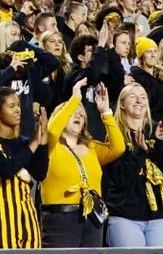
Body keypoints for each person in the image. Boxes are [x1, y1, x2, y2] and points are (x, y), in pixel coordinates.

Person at [39, 78, 122, 247]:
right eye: (72, 112)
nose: (78, 114)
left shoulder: (91, 147)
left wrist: (105, 113)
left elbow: (118, 148)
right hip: (60, 220)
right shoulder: (51, 146)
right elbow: (52, 129)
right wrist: (75, 99)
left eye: (81, 113)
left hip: (92, 217)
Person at [104, 80, 163, 247]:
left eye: (143, 97)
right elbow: (120, 180)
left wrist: (162, 143)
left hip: (159, 217)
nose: (139, 101)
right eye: (133, 97)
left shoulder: (159, 131)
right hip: (126, 217)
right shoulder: (114, 135)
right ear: (122, 104)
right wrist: (139, 152)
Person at [0, 84, 46, 249]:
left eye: (18, 105)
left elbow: (41, 173)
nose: (18, 110)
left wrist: (43, 138)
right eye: (12, 106)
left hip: (28, 217)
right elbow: (6, 169)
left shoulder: (23, 143)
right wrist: (34, 144)